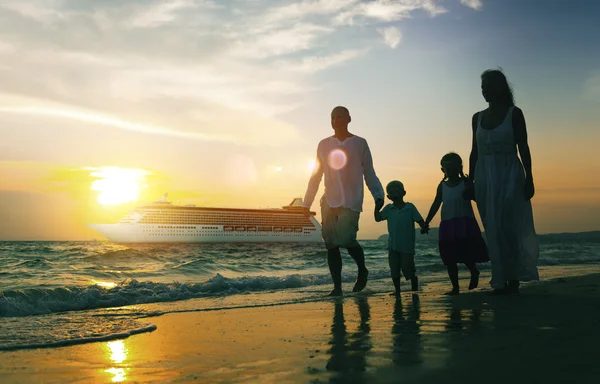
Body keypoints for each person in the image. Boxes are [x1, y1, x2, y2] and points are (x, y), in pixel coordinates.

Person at [467, 69, 539, 294]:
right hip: (485, 176)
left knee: (509, 225)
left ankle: (514, 277)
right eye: (482, 87)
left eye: (488, 86)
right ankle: (500, 277)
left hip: (510, 173)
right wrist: (471, 182)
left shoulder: (514, 113)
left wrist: (529, 178)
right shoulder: (476, 117)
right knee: (492, 226)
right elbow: (474, 152)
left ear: (500, 87)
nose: (484, 91)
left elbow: (524, 147)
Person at [303, 106, 385, 297]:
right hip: (328, 200)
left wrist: (378, 195)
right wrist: (307, 204)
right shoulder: (323, 144)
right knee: (331, 245)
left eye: (340, 116)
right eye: (333, 117)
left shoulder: (360, 143)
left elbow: (369, 173)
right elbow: (316, 175)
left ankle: (362, 270)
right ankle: (337, 287)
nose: (336, 120)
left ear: (349, 118)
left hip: (351, 200)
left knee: (347, 240)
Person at [424, 152, 489, 295]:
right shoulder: (442, 186)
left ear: (460, 167)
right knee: (449, 258)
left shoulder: (466, 183)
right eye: (448, 169)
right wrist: (427, 220)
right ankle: (455, 287)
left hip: (465, 223)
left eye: (454, 168)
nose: (451, 171)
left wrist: (471, 194)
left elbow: (478, 198)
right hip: (448, 224)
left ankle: (474, 271)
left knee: (467, 254)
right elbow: (436, 203)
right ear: (443, 170)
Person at [374, 180, 428, 297]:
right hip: (393, 244)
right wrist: (376, 208)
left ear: (404, 193)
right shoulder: (388, 208)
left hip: (407, 245)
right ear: (388, 196)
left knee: (407, 268)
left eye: (397, 191)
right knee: (394, 268)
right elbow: (378, 218)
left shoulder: (410, 207)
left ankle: (414, 281)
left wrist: (424, 226)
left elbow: (419, 220)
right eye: (391, 192)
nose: (394, 193)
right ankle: (397, 291)